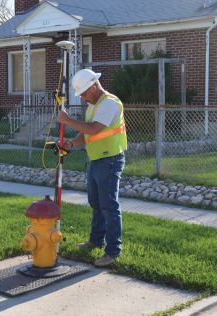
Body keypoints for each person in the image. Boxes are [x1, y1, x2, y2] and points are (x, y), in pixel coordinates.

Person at [58, 69, 127, 267]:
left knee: (109, 205)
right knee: (96, 203)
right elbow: (87, 134)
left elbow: (95, 128)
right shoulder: (93, 105)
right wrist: (72, 143)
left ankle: (113, 251)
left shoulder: (109, 103)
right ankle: (96, 240)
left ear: (94, 86)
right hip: (96, 158)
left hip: (110, 160)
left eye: (84, 93)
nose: (82, 97)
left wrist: (68, 120)